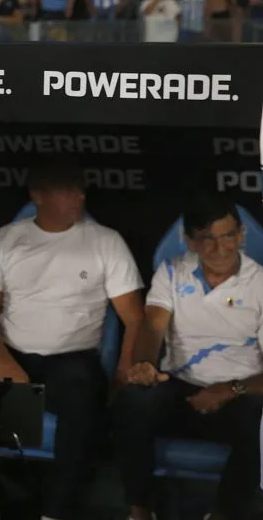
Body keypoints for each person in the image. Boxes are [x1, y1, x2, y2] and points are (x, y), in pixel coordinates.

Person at [0, 159, 145, 520]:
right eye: (66, 190)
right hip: (11, 354)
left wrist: (124, 372)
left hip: (70, 360)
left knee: (82, 405)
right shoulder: (4, 241)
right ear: (37, 195)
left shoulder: (105, 242)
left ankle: (55, 513)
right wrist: (4, 364)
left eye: (80, 190)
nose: (78, 198)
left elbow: (135, 318)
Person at [115, 193, 263, 520]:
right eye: (207, 239)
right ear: (190, 241)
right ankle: (140, 509)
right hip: (180, 389)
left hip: (238, 395)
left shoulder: (260, 283)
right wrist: (144, 365)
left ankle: (223, 514)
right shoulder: (172, 272)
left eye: (228, 236)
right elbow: (153, 326)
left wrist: (228, 390)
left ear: (241, 235)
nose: (220, 248)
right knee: (133, 401)